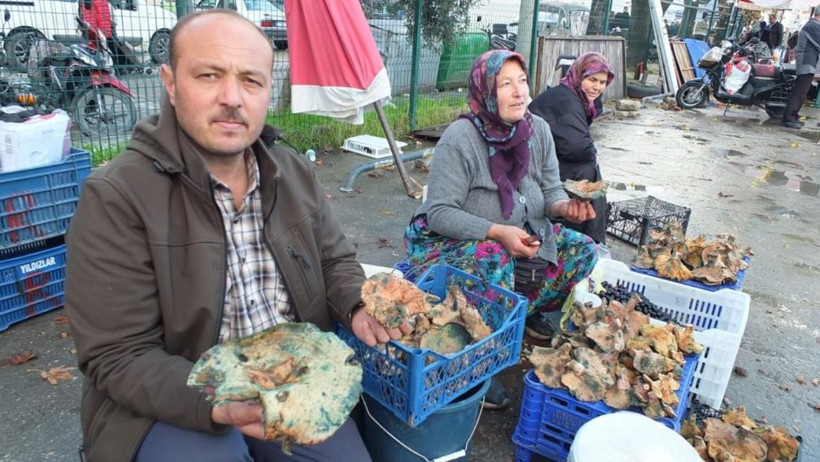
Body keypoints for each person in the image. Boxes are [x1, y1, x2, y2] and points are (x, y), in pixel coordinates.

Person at [65, 10, 405, 462]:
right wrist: (218, 404)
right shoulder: (117, 195)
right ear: (170, 83)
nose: (232, 98)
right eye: (209, 75)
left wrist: (357, 305)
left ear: (267, 91)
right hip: (172, 397)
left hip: (289, 378)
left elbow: (334, 261)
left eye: (250, 80)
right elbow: (118, 354)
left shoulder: (292, 172)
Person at [403, 50, 599, 408]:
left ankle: (524, 311)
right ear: (485, 91)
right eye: (505, 83)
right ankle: (474, 364)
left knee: (583, 249)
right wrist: (496, 231)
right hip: (451, 241)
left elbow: (551, 188)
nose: (519, 92)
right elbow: (439, 213)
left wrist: (563, 208)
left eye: (522, 81)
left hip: (521, 230)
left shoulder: (537, 129)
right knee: (495, 257)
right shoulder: (460, 138)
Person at [528, 52, 615, 245]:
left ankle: (588, 236)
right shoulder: (567, 102)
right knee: (587, 172)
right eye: (592, 80)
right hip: (531, 165)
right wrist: (593, 153)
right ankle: (586, 237)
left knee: (590, 171)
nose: (597, 87)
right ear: (579, 76)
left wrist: (591, 152)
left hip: (544, 157)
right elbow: (577, 147)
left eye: (602, 82)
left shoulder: (573, 95)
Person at [781, 6, 820, 129]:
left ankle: (793, 115)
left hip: (808, 63)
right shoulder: (813, 26)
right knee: (799, 92)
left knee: (802, 91)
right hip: (806, 63)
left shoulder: (812, 25)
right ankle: (789, 117)